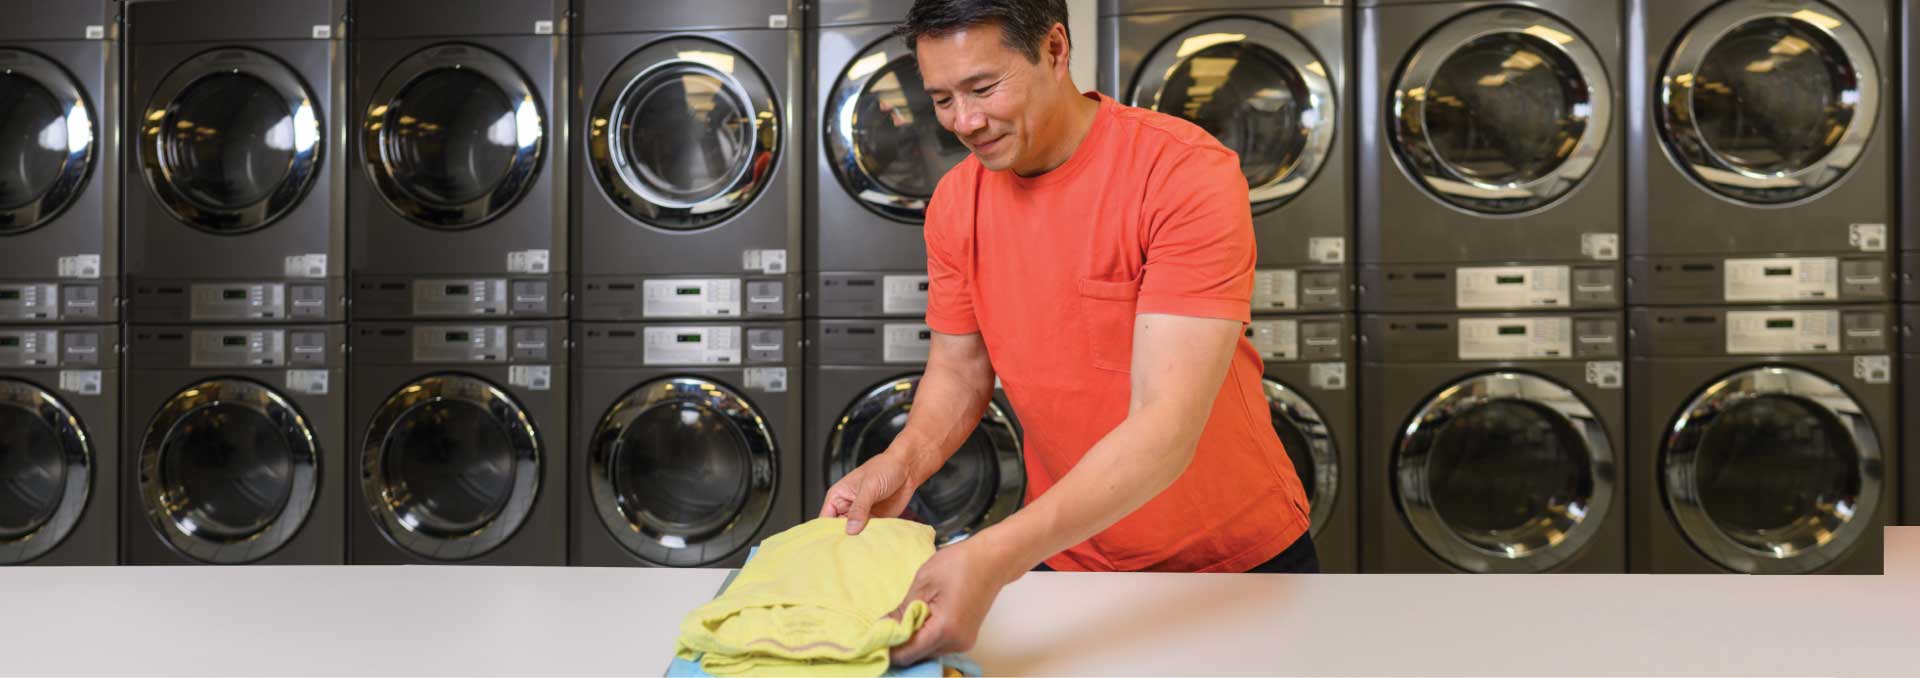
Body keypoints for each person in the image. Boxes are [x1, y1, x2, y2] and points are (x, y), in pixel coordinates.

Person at [816, 0, 1315, 666]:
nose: (964, 121)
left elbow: (1166, 424)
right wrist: (899, 465)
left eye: (983, 88)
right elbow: (959, 371)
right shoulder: (957, 203)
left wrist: (992, 555)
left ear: (1055, 50)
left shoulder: (1181, 172)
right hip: (1068, 553)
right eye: (941, 99)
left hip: (1230, 561)